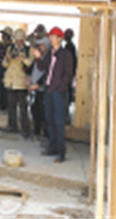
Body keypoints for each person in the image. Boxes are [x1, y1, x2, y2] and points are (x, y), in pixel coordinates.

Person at [37, 26, 74, 163]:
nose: (51, 39)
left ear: (60, 39)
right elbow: (42, 67)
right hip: (49, 90)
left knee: (58, 122)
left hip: (58, 92)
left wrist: (59, 88)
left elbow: (68, 74)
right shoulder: (50, 53)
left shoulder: (65, 54)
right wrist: (38, 57)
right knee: (49, 120)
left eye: (53, 37)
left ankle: (61, 151)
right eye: (50, 37)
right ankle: (52, 147)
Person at [3, 28, 34, 137]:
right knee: (11, 106)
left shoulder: (28, 50)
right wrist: (8, 58)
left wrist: (22, 59)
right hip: (11, 81)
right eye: (17, 40)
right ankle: (12, 125)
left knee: (23, 107)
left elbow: (30, 63)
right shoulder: (10, 48)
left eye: (20, 40)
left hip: (21, 82)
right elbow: (4, 64)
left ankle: (25, 128)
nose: (18, 42)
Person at [29, 41, 48, 141]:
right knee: (34, 109)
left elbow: (45, 72)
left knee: (43, 111)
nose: (40, 47)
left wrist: (38, 84)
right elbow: (31, 68)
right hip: (35, 89)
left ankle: (45, 134)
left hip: (43, 89)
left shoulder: (48, 58)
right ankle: (36, 131)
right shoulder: (38, 58)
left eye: (42, 45)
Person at [0, 26, 14, 110]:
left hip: (7, 69)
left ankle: (5, 104)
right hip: (0, 68)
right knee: (0, 86)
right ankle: (1, 102)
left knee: (6, 88)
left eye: (4, 35)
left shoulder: (11, 47)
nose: (2, 36)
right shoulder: (2, 45)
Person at [64, 28, 78, 125]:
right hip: (70, 75)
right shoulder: (71, 46)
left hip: (68, 76)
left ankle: (66, 120)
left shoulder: (69, 47)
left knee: (65, 98)